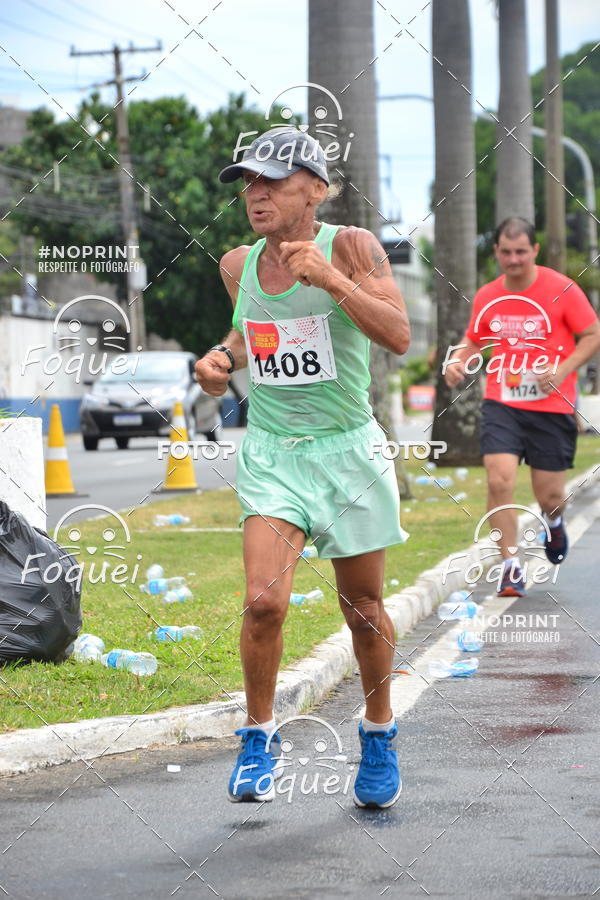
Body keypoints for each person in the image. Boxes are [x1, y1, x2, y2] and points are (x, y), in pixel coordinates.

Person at [195, 127, 410, 808]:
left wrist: (334, 280)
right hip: (274, 452)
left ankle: (377, 732)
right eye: (247, 183)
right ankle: (259, 733)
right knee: (264, 604)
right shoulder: (237, 263)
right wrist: (222, 359)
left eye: (271, 181)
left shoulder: (353, 247)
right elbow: (247, 323)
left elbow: (399, 335)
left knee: (364, 609)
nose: (254, 194)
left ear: (315, 190)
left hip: (348, 450)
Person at [444, 217, 600, 596]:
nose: (513, 260)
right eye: (506, 252)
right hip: (503, 401)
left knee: (550, 496)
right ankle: (510, 566)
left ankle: (555, 521)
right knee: (498, 480)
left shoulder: (562, 289)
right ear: (496, 251)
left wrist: (563, 369)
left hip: (552, 405)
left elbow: (592, 334)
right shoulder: (488, 295)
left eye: (520, 252)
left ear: (534, 251)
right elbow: (474, 337)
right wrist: (458, 359)